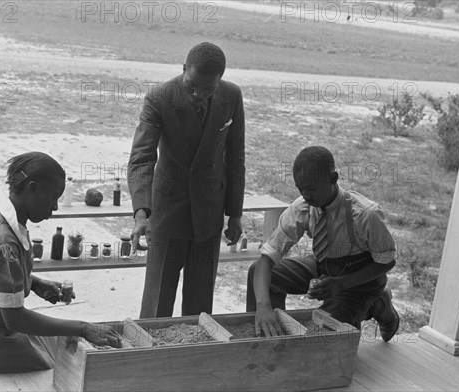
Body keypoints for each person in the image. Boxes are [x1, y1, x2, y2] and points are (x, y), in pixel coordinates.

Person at [0, 152, 120, 378]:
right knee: (51, 376)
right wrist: (84, 327)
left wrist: (33, 282)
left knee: (50, 350)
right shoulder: (4, 243)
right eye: (53, 197)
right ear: (32, 188)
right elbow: (15, 319)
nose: (55, 207)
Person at [128, 42, 246, 318]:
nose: (198, 94)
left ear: (219, 81)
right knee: (157, 305)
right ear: (183, 70)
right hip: (167, 214)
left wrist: (235, 214)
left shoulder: (232, 96)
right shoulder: (159, 97)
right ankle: (152, 357)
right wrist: (141, 213)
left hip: (209, 215)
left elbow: (235, 158)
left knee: (200, 306)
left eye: (208, 89)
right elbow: (142, 159)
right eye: (192, 85)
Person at [247, 146, 400, 342]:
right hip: (326, 266)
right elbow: (266, 260)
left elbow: (387, 262)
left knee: (324, 330)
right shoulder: (302, 207)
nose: (306, 195)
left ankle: (377, 304)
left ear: (333, 178)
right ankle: (271, 337)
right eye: (300, 188)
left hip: (360, 280)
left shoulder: (364, 214)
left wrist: (341, 284)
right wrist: (263, 306)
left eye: (311, 189)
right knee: (258, 274)